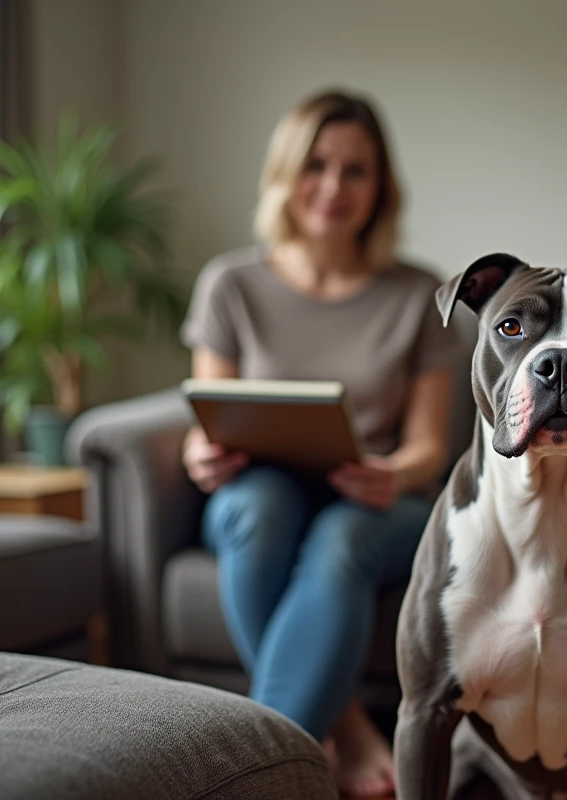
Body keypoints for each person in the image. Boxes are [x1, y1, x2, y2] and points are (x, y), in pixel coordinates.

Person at [180, 89, 458, 798]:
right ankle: (345, 726)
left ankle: (256, 773)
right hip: (259, 491)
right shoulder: (231, 284)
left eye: (355, 171)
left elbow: (431, 444)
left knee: (341, 542)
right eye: (317, 166)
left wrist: (393, 472)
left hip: (375, 502)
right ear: (286, 173)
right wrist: (200, 453)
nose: (333, 187)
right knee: (259, 510)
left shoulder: (420, 293)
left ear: (381, 187)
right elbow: (206, 414)